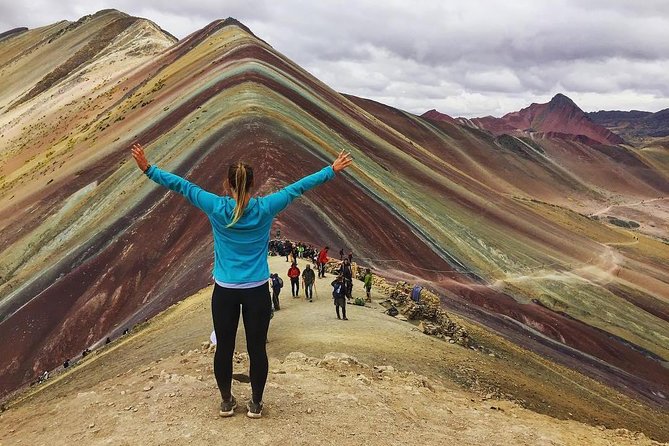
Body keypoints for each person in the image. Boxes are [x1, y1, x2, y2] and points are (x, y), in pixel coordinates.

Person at [132, 142, 353, 419]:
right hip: (257, 291)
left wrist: (148, 169)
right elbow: (299, 187)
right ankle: (256, 405)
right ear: (252, 184)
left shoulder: (215, 206)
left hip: (224, 291)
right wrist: (331, 170)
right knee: (257, 349)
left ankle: (226, 402)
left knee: (224, 348)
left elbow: (182, 186)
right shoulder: (266, 207)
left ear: (227, 184)